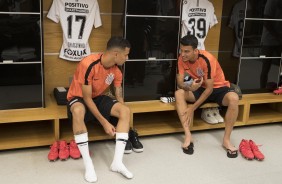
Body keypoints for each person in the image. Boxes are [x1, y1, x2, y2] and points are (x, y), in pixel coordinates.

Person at [66, 36, 133, 182]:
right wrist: (104, 122)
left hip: (98, 97)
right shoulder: (88, 63)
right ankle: (88, 165)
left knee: (125, 111)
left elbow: (118, 94)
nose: (127, 58)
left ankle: (117, 163)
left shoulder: (117, 70)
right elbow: (87, 98)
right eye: (126, 54)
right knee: (78, 111)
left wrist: (123, 115)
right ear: (116, 54)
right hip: (79, 98)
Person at [175, 35, 239, 158]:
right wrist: (190, 87)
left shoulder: (207, 59)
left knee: (234, 98)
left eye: (186, 51)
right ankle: (188, 135)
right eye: (181, 50)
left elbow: (210, 89)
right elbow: (180, 82)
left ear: (195, 50)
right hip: (200, 87)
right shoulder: (181, 58)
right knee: (179, 93)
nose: (183, 54)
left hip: (218, 88)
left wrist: (192, 108)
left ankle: (226, 140)